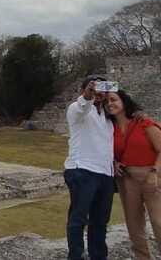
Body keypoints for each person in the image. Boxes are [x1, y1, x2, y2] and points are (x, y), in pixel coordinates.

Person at [64, 76, 114, 260]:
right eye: (93, 88)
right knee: (79, 218)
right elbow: (82, 107)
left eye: (102, 88)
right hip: (82, 169)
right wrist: (88, 95)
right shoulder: (77, 109)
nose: (98, 92)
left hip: (105, 173)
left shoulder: (108, 118)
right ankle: (75, 255)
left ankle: (98, 256)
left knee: (101, 220)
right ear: (84, 90)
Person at [108, 89, 161, 260]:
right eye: (106, 102)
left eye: (113, 100)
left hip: (151, 176)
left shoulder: (143, 123)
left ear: (124, 101)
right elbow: (107, 152)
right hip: (127, 180)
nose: (110, 104)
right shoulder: (109, 129)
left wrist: (154, 172)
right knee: (134, 226)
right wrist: (115, 163)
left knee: (159, 222)